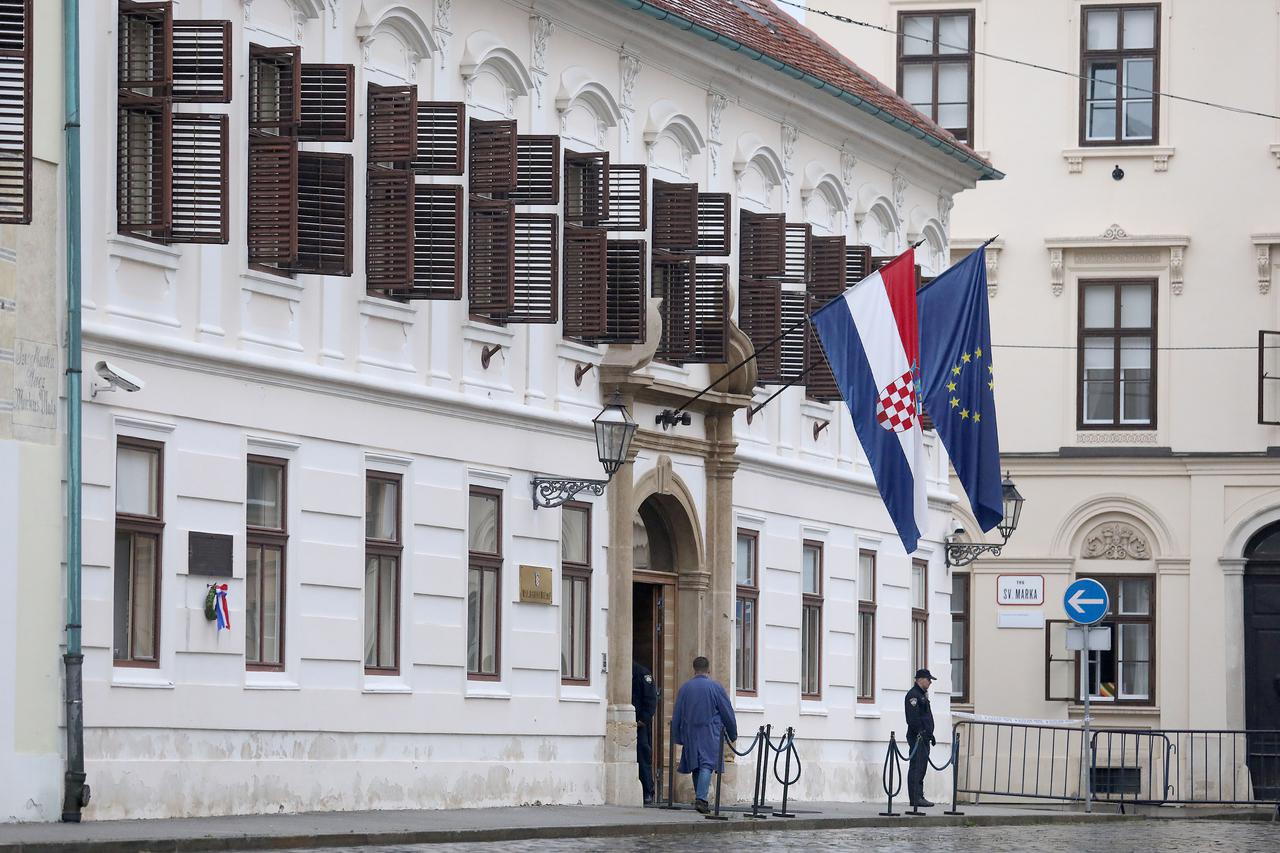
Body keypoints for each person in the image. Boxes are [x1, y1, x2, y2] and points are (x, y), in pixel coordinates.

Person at [670, 655, 737, 814]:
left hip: (690, 732)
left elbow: (677, 714)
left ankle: (700, 797)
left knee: (695, 765)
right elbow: (727, 712)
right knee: (707, 764)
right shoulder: (715, 687)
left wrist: (677, 736)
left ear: (694, 669)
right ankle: (701, 798)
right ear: (709, 669)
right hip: (710, 731)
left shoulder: (685, 688)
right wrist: (732, 733)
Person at [904, 668, 937, 808]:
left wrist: (930, 734)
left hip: (924, 737)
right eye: (928, 679)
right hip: (918, 738)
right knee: (917, 767)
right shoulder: (914, 695)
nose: (930, 682)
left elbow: (925, 717)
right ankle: (915, 797)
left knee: (922, 767)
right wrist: (921, 733)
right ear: (920, 679)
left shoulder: (922, 695)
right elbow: (913, 719)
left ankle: (919, 795)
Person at [632, 659, 658, 804]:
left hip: (639, 724)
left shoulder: (642, 673)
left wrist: (643, 719)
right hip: (631, 720)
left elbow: (650, 699)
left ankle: (648, 791)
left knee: (643, 755)